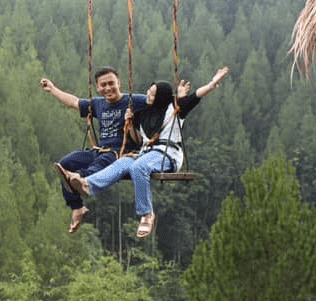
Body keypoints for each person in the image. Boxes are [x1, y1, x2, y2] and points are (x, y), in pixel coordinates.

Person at [56, 66, 229, 238]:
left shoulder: (175, 110)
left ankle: (147, 214)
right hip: (146, 153)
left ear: (160, 97)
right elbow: (138, 140)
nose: (148, 96)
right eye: (148, 91)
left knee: (138, 167)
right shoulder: (144, 115)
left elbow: (197, 95)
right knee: (123, 162)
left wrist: (213, 83)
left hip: (166, 155)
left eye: (152, 94)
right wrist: (129, 123)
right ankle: (88, 185)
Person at [41, 66, 148, 233]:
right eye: (103, 85)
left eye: (111, 83)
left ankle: (81, 178)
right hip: (100, 150)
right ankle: (77, 207)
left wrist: (184, 98)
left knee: (100, 164)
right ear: (97, 87)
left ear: (119, 83)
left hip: (121, 154)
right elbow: (74, 102)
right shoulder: (98, 104)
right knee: (66, 163)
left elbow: (159, 99)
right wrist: (53, 90)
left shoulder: (134, 101)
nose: (108, 88)